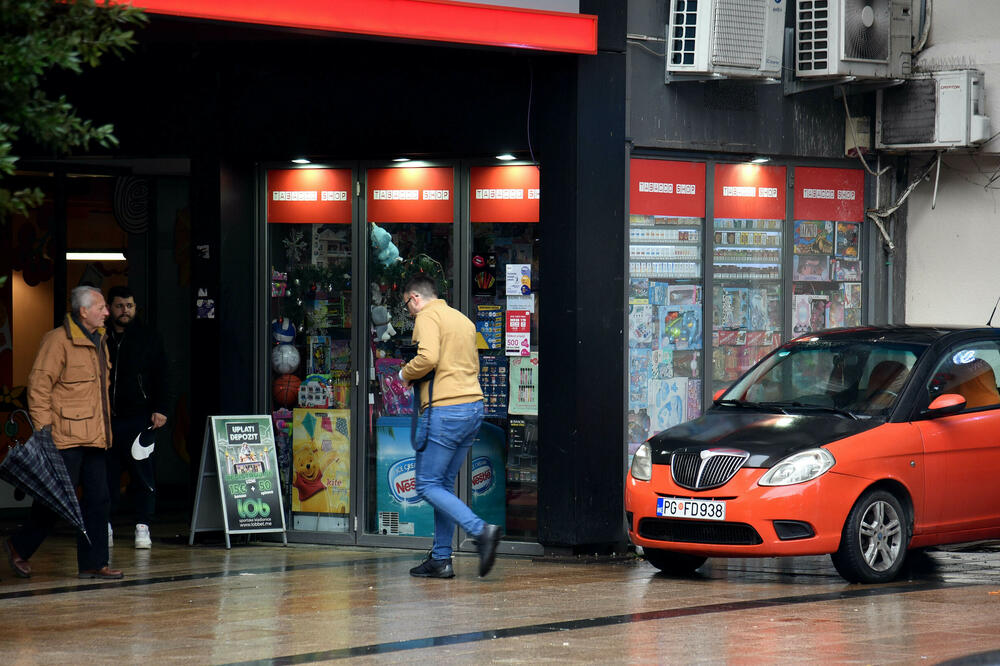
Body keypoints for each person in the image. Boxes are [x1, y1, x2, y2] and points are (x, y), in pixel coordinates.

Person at [3, 285, 123, 579]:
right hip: (63, 438)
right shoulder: (57, 341)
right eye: (101, 307)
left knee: (99, 500)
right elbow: (39, 387)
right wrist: (44, 434)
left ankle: (94, 563)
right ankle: (19, 546)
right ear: (83, 311)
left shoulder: (101, 340)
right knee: (54, 501)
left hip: (94, 436)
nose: (107, 312)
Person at [398, 275, 501, 579]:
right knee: (441, 485)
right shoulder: (463, 321)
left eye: (408, 305)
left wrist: (405, 373)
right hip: (472, 408)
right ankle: (441, 558)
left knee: (426, 484)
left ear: (415, 297)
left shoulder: (427, 316)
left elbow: (427, 357)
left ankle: (481, 531)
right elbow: (472, 365)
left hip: (445, 410)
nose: (410, 311)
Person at [105, 285, 171, 550]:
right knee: (105, 475)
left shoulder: (148, 337)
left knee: (142, 473)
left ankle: (143, 526)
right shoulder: (100, 336)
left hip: (140, 417)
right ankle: (105, 524)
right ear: (110, 308)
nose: (125, 311)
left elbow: (163, 375)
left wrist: (162, 408)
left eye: (129, 305)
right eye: (120, 306)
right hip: (106, 418)